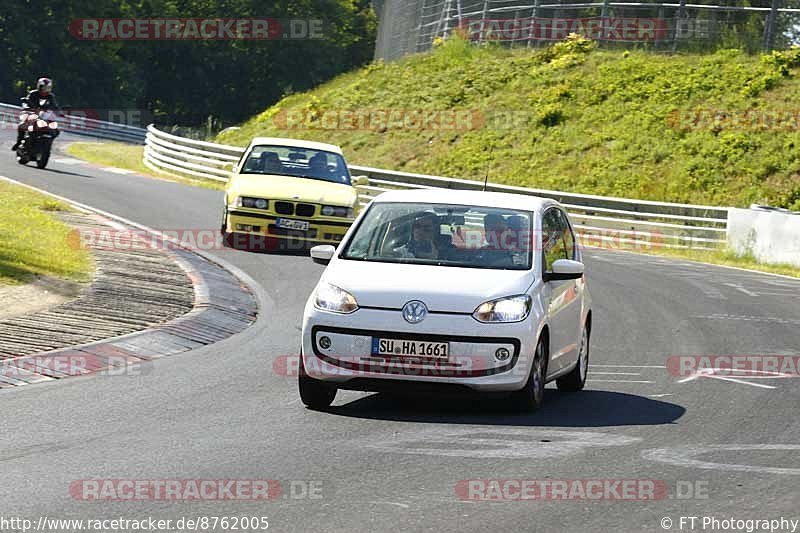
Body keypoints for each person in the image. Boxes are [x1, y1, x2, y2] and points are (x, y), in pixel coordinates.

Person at [12, 77, 60, 151]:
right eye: (44, 87)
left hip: (44, 115)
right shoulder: (33, 93)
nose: (45, 89)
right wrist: (27, 107)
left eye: (48, 87)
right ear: (39, 86)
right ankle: (19, 142)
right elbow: (27, 102)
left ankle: (48, 145)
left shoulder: (51, 96)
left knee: (55, 130)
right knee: (22, 125)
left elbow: (55, 106)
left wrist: (58, 111)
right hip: (32, 113)